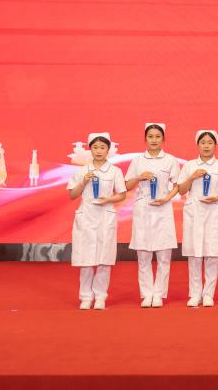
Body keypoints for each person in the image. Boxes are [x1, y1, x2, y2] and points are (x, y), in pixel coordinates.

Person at [67, 132, 127, 310]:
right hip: (86, 216)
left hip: (105, 216)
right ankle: (86, 297)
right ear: (90, 149)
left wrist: (108, 199)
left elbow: (122, 194)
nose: (99, 151)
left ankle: (100, 296)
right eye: (95, 147)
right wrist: (83, 182)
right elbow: (72, 195)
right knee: (85, 260)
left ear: (108, 150)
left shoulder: (115, 171)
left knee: (104, 259)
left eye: (102, 147)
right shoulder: (82, 171)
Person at [124, 123, 179, 308]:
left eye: (157, 136)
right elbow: (127, 185)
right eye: (150, 136)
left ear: (163, 139)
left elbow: (177, 185)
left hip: (163, 208)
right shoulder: (138, 160)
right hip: (143, 208)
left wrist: (166, 198)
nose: (154, 140)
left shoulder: (170, 160)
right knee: (143, 255)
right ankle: (147, 294)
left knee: (164, 256)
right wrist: (139, 177)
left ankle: (159, 294)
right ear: (145, 139)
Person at [177, 130, 218, 307]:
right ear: (197, 145)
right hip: (194, 212)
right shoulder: (189, 166)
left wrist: (217, 197)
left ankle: (208, 294)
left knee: (212, 254)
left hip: (213, 212)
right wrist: (192, 177)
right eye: (203, 142)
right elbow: (181, 190)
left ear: (215, 145)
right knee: (194, 255)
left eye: (210, 142)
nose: (206, 146)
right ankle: (195, 294)